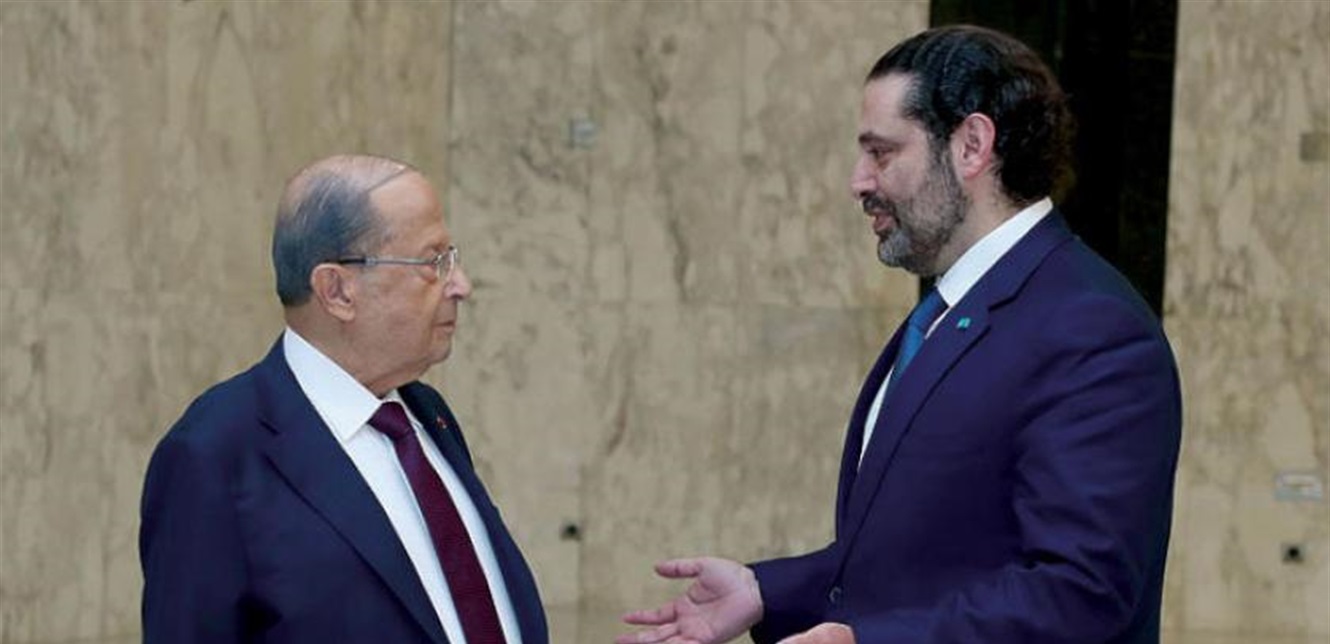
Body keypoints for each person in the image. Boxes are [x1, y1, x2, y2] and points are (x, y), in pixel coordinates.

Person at [618, 25, 1181, 644]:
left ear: (972, 146)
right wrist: (763, 591)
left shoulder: (1092, 327)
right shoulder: (952, 311)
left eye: (881, 153)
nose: (858, 181)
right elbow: (919, 557)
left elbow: (1080, 595)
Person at [140, 154, 548, 643]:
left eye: (452, 258)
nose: (461, 285)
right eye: (433, 262)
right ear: (337, 291)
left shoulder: (426, 416)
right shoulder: (215, 454)